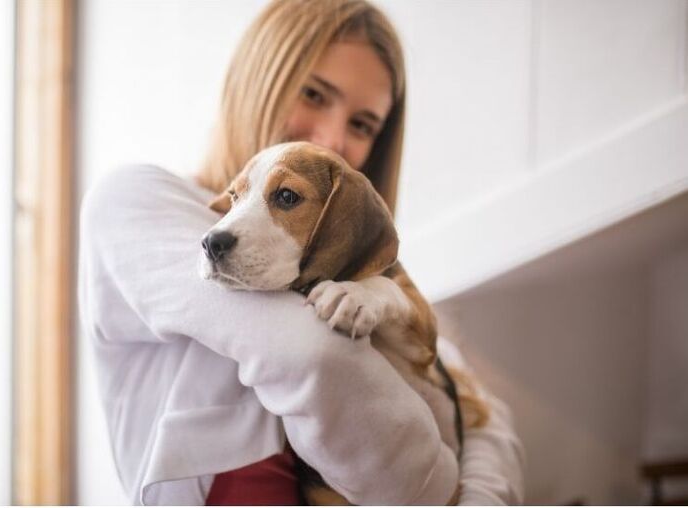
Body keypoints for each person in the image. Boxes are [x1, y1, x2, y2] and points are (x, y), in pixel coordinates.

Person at [78, 0, 524, 505]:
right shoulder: (139, 200)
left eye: (362, 125)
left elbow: (482, 412)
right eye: (314, 93)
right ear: (257, 77)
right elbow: (316, 358)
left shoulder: (352, 279)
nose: (333, 137)